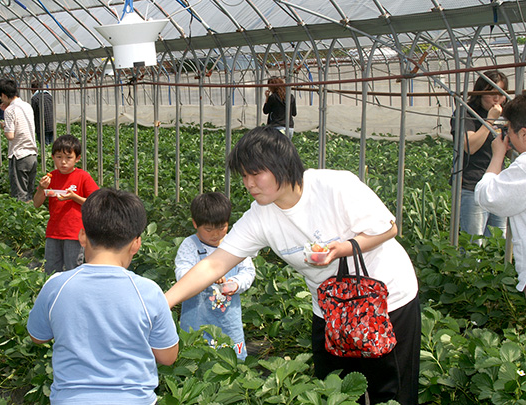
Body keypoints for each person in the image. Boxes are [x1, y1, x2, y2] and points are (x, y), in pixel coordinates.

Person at [165, 126, 420, 404]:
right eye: (243, 176)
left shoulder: (333, 186)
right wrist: (163, 302)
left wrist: (341, 249)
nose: (248, 183)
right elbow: (213, 265)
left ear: (282, 166)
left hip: (385, 302)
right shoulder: (261, 216)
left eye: (255, 173)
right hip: (329, 308)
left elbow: (388, 228)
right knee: (335, 392)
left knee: (391, 392)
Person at [27, 188, 179, 404]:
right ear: (136, 243)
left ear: (82, 235)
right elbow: (167, 357)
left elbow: (38, 336)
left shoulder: (57, 286)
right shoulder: (148, 292)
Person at [475, 94, 526, 340]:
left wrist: (497, 156)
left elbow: (487, 196)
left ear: (524, 134)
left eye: (510, 131)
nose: (509, 138)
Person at [174, 192, 256, 360]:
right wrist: (206, 275)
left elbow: (248, 270)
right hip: (197, 322)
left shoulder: (235, 243)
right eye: (209, 229)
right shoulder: (190, 246)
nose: (216, 234)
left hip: (228, 321)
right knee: (196, 360)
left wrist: (235, 283)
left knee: (233, 361)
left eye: (221, 228)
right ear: (195, 223)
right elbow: (181, 274)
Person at [451, 70, 508, 238]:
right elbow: (470, 146)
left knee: (498, 241)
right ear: (480, 93)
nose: (496, 99)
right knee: (473, 243)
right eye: (491, 94)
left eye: (501, 93)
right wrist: (490, 120)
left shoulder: (504, 117)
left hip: (498, 186)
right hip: (472, 187)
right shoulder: (466, 113)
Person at [33, 134, 99, 274]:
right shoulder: (51, 177)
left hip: (74, 233)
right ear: (52, 157)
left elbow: (96, 202)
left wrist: (74, 197)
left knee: (73, 269)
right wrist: (42, 188)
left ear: (77, 158)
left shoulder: (83, 177)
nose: (63, 162)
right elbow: (36, 204)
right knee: (50, 269)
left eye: (68, 158)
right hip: (53, 232)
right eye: (59, 157)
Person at [0, 78, 38, 202]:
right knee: (29, 193)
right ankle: (32, 218)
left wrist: (4, 126)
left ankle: (22, 219)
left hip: (19, 155)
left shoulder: (10, 110)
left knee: (19, 196)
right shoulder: (27, 105)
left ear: (3, 94)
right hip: (32, 155)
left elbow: (10, 136)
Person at [30, 80, 55, 145]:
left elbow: (32, 113)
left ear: (33, 90)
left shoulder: (35, 98)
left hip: (41, 127)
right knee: (51, 146)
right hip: (52, 125)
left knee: (44, 147)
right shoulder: (49, 96)